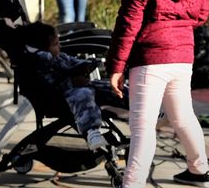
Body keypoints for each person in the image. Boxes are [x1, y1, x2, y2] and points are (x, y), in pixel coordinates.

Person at [107, 0, 209, 188]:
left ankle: (131, 184)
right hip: (182, 58)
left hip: (150, 60)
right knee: (183, 117)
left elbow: (128, 24)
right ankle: (199, 171)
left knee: (143, 129)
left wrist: (116, 66)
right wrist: (178, 27)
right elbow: (202, 13)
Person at [22, 21, 129, 150]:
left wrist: (87, 64)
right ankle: (92, 133)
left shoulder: (60, 57)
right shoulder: (41, 62)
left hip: (78, 87)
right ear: (43, 48)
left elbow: (74, 62)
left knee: (107, 86)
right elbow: (51, 82)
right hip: (61, 97)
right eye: (56, 44)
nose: (59, 47)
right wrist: (72, 77)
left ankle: (134, 104)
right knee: (83, 94)